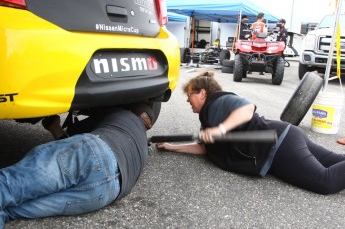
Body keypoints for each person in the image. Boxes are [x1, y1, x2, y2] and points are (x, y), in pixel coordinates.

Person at [156, 71, 345, 195]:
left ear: (203, 93)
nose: (188, 100)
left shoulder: (219, 101)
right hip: (285, 135)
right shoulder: (210, 116)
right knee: (335, 160)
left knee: (325, 181)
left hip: (278, 144)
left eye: (190, 95)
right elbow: (205, 148)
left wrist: (219, 130)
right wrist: (173, 148)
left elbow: (246, 108)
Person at [0, 103, 154, 227]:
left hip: (98, 153)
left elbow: (75, 133)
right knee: (9, 209)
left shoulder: (122, 114)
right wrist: (55, 129)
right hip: (107, 192)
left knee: (7, 187)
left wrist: (56, 125)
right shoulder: (142, 145)